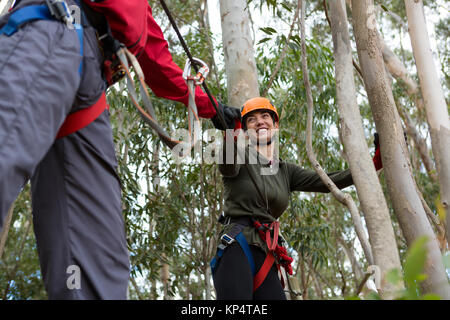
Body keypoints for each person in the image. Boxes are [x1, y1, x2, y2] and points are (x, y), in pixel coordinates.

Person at [0, 0, 238, 299]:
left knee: (98, 253)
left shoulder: (138, 10)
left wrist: (212, 108)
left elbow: (155, 58)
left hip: (90, 81)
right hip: (48, 32)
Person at [211, 97, 381, 300]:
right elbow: (227, 166)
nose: (260, 122)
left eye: (265, 116)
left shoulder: (285, 170)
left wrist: (376, 162)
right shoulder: (240, 155)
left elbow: (329, 181)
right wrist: (231, 133)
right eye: (252, 120)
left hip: (266, 253)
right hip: (238, 244)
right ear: (246, 130)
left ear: (275, 125)